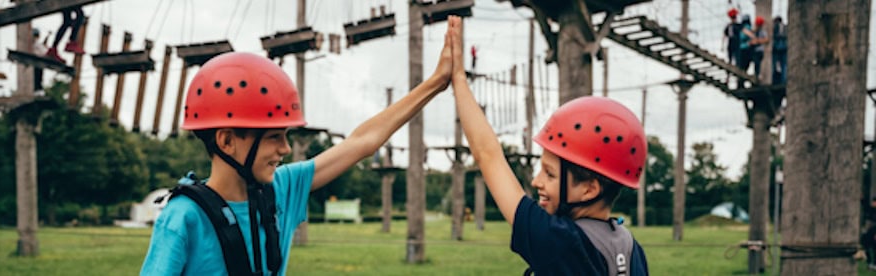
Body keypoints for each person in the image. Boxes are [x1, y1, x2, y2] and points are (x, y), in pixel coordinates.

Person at [139, 19, 457, 276]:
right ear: (227, 141)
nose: (286, 149)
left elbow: (362, 142)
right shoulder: (183, 218)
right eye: (273, 137)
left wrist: (436, 82)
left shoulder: (280, 190)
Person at [448, 16, 649, 275]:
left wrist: (458, 79)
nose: (536, 182)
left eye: (550, 174)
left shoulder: (561, 242)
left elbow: (488, 155)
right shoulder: (629, 247)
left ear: (589, 189)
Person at [771, 16, 787, 85]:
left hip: (777, 48)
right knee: (784, 65)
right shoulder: (785, 27)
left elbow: (774, 36)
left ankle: (775, 81)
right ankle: (783, 80)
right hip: (784, 48)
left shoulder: (776, 26)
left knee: (775, 65)